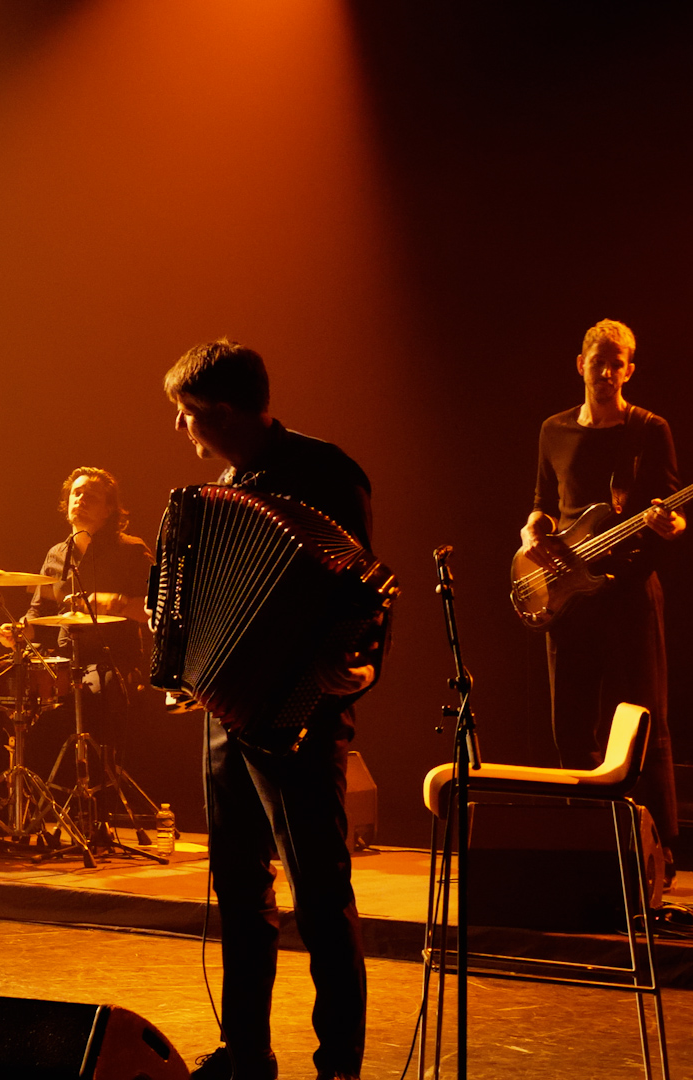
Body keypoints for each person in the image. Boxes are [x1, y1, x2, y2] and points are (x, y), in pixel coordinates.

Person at [163, 340, 383, 1080]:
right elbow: (199, 592)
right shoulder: (226, 484)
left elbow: (363, 592)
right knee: (240, 885)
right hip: (227, 710)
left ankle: (339, 1066)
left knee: (320, 896)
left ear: (223, 413)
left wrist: (347, 661)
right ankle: (247, 1051)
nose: (181, 430)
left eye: (187, 416)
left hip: (301, 712)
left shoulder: (327, 471)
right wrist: (184, 660)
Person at [517, 318, 682, 857]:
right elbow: (541, 503)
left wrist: (671, 523)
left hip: (629, 593)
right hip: (567, 595)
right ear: (580, 364)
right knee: (571, 727)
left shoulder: (648, 430)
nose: (607, 371)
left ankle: (656, 849)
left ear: (630, 370)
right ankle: (588, 844)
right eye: (599, 361)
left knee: (643, 725)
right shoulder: (553, 430)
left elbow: (673, 510)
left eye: (618, 363)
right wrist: (531, 532)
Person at [22, 468, 154, 799]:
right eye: (75, 494)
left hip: (114, 660)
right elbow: (38, 614)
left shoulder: (131, 550)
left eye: (90, 496)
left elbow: (157, 610)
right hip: (67, 662)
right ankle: (43, 801)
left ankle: (99, 802)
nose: (79, 500)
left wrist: (111, 603)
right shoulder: (55, 555)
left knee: (98, 699)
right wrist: (19, 628)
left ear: (110, 509)